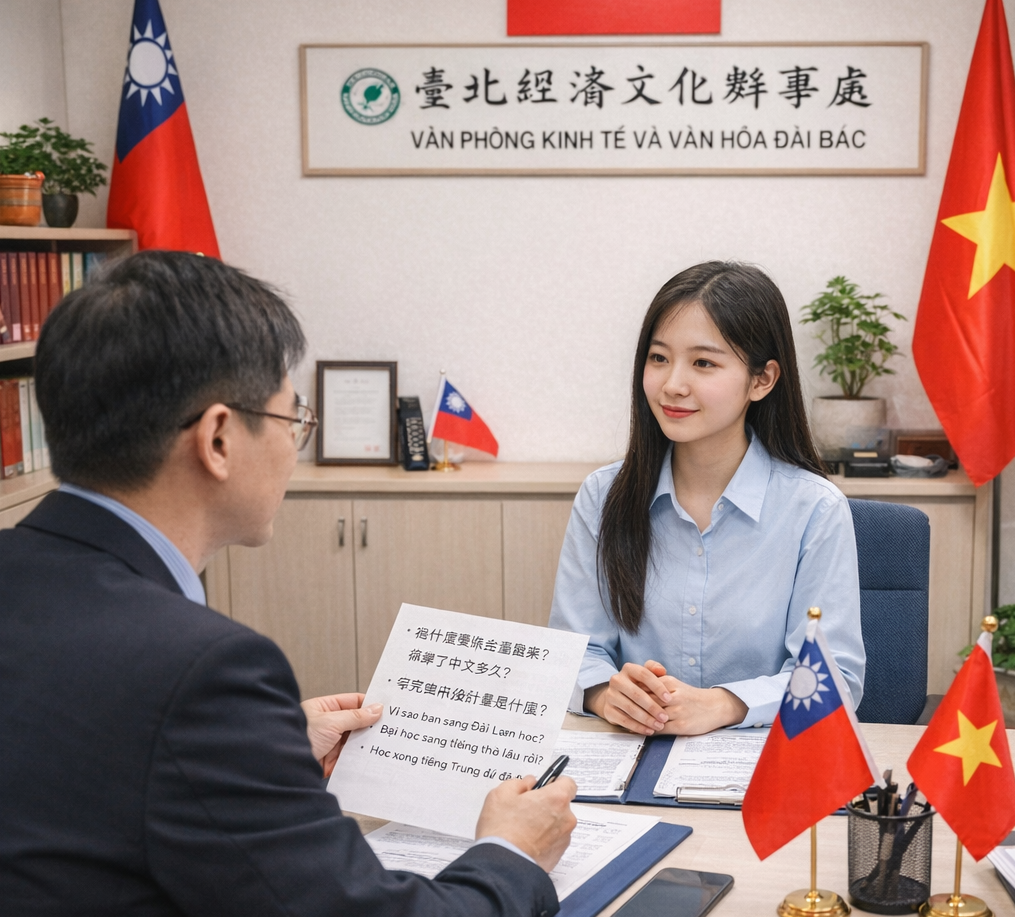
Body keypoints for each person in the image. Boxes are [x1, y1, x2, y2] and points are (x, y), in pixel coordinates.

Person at [0, 251, 576, 916]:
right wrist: (511, 851)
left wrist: (256, 750)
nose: (293, 447)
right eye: (291, 418)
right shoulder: (201, 670)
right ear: (219, 439)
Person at [549, 261, 865, 737]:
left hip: (761, 760)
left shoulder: (815, 509)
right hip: (630, 751)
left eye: (703, 363)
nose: (672, 385)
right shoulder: (602, 495)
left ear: (762, 380)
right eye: (659, 358)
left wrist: (724, 705)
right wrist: (605, 694)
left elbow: (833, 678)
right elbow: (574, 653)